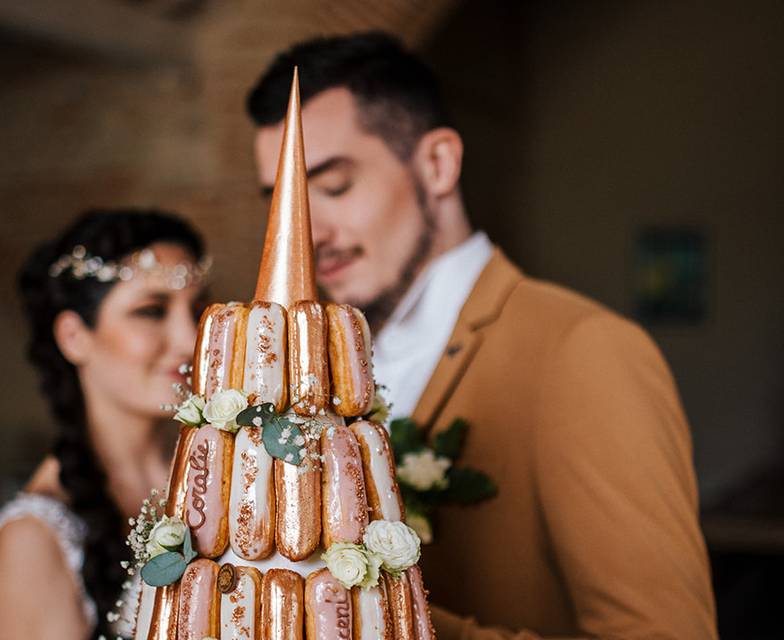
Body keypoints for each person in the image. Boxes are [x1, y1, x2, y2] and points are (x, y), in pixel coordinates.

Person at [247, 33, 717, 639]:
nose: (308, 234)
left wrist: (378, 620)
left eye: (334, 187)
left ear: (437, 164)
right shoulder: (312, 372)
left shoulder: (584, 351)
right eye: (285, 203)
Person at [0, 209, 209, 639]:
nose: (191, 339)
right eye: (152, 311)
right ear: (74, 337)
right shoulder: (34, 541)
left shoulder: (222, 478)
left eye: (198, 309)